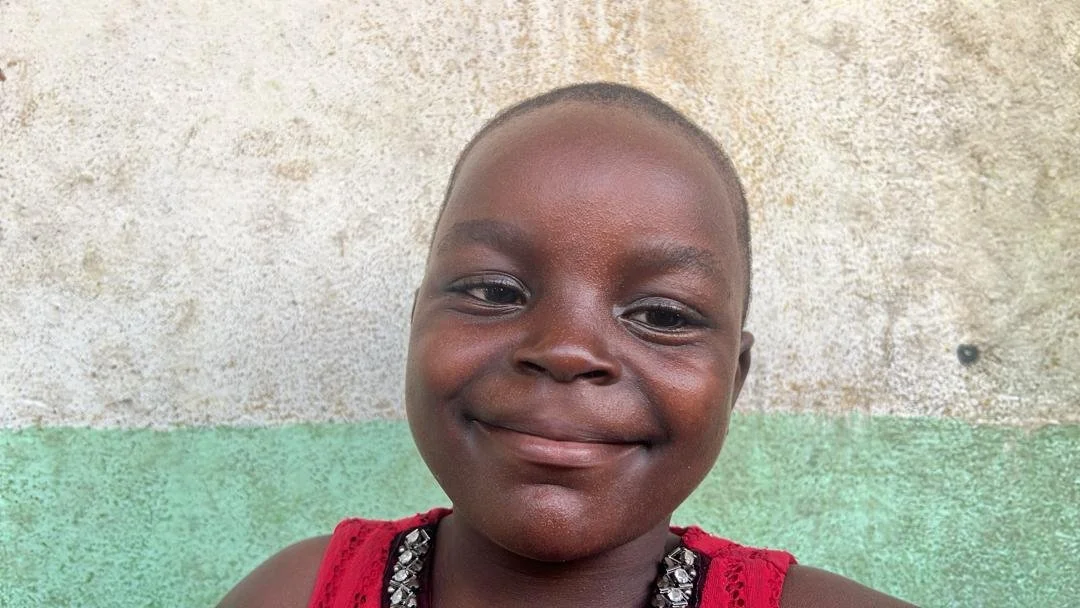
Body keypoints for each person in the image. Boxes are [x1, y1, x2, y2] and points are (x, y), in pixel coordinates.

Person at [218, 82, 915, 608]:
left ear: (733, 378)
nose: (565, 349)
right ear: (416, 324)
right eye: (494, 293)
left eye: (663, 315)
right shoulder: (297, 593)